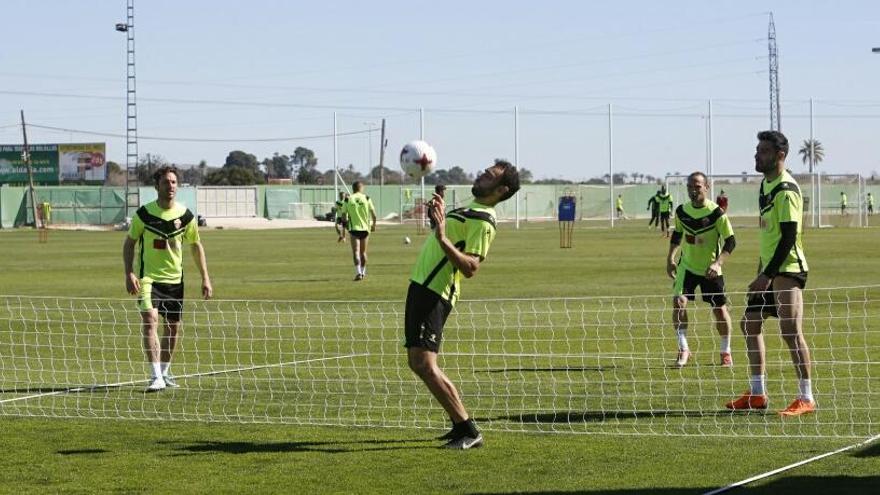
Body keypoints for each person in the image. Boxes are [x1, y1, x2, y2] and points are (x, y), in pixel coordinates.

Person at [406, 159, 520, 450]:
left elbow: (471, 266)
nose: (481, 175)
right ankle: (460, 425)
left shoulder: (484, 220)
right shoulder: (470, 210)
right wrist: (439, 220)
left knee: (425, 364)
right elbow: (447, 239)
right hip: (422, 286)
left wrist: (443, 237)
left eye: (489, 175)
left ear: (501, 189)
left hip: (436, 292)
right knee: (418, 363)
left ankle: (468, 430)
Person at [725, 130, 814, 416]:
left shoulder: (786, 190)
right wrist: (761, 270)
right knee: (750, 324)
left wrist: (768, 275)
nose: (756, 155)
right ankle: (758, 393)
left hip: (788, 269)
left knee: (790, 332)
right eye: (757, 149)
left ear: (780, 156)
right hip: (768, 269)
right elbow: (771, 235)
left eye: (763, 151)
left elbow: (788, 237)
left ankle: (807, 397)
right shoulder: (766, 185)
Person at [123, 166, 213, 393]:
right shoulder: (144, 214)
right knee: (150, 319)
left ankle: (164, 372)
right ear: (157, 186)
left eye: (173, 182)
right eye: (166, 182)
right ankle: (155, 376)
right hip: (148, 279)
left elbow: (195, 246)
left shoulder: (186, 216)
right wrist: (129, 272)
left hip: (175, 281)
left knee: (172, 329)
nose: (170, 186)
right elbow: (129, 243)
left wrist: (205, 278)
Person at [666, 172, 736, 368]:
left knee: (720, 311)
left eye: (697, 186)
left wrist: (717, 263)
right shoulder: (681, 211)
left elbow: (731, 241)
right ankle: (684, 348)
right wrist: (670, 258)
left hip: (710, 270)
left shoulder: (717, 214)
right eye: (690, 186)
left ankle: (725, 351)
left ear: (706, 187)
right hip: (686, 267)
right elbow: (677, 235)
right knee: (679, 303)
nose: (693, 189)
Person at [341, 181, 377, 281]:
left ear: (353, 189)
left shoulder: (348, 199)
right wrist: (374, 225)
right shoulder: (367, 198)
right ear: (361, 188)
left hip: (354, 229)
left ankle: (358, 273)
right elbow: (374, 215)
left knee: (356, 252)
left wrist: (346, 224)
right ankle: (363, 272)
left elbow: (343, 216)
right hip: (365, 229)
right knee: (363, 252)